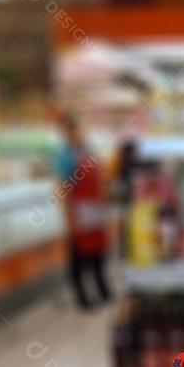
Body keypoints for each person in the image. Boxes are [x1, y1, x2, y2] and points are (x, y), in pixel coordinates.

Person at [57, 114, 111, 310]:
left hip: (94, 211)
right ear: (69, 133)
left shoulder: (90, 152)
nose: (80, 134)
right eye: (76, 130)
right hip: (79, 212)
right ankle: (82, 296)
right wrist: (69, 219)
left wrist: (103, 202)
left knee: (98, 253)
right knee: (79, 257)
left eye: (82, 130)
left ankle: (103, 289)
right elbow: (62, 188)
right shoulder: (65, 156)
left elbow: (100, 179)